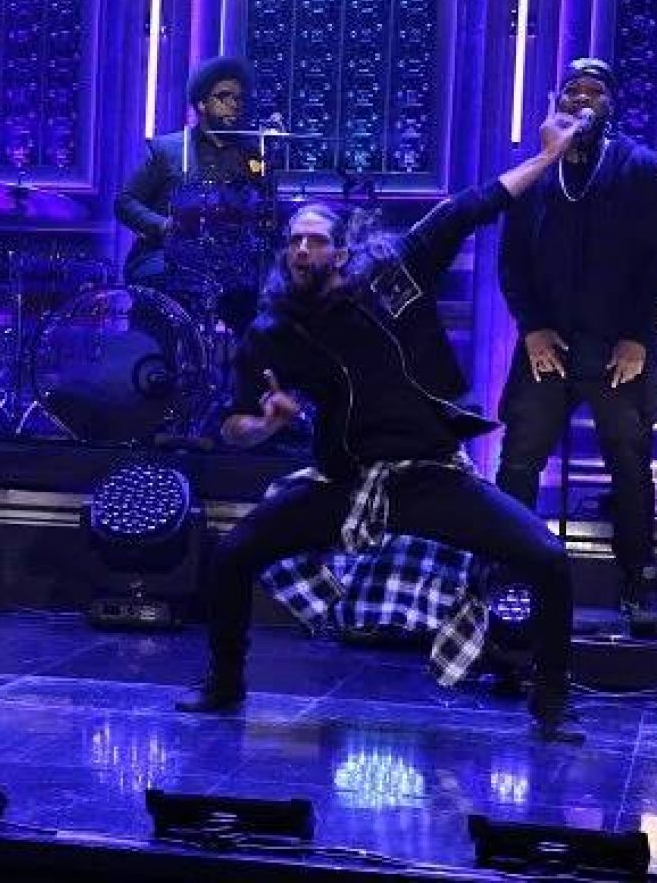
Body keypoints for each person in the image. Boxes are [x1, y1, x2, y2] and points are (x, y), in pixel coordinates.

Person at [176, 108, 584, 742]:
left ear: (340, 250)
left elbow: (470, 208)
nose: (303, 249)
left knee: (549, 559)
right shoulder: (274, 330)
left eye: (316, 240)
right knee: (233, 554)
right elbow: (232, 424)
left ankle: (551, 701)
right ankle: (224, 682)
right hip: (347, 481)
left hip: (428, 474)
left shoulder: (394, 275)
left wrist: (550, 157)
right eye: (294, 240)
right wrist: (263, 425)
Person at [495, 58, 657, 616]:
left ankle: (639, 581)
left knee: (630, 461)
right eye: (572, 91)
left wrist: (640, 336)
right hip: (549, 346)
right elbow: (512, 262)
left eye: (594, 92)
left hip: (617, 347)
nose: (582, 99)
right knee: (519, 457)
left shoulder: (641, 168)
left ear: (611, 104)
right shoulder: (536, 171)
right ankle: (510, 576)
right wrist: (532, 328)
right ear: (555, 101)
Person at [114, 56, 265, 333]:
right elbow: (125, 202)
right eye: (224, 97)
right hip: (165, 254)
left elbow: (263, 207)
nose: (235, 104)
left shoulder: (252, 153)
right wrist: (164, 226)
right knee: (166, 285)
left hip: (227, 260)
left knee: (259, 292)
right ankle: (169, 355)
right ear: (201, 104)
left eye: (239, 98)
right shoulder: (167, 149)